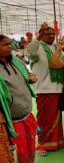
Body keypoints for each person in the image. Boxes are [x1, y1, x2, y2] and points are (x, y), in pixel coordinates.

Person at [25, 22, 64, 156]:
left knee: (57, 117)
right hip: (44, 88)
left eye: (53, 34)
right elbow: (30, 51)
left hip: (58, 87)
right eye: (47, 34)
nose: (51, 36)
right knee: (44, 118)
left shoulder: (56, 47)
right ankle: (41, 144)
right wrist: (40, 35)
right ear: (41, 34)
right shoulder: (37, 47)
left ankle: (57, 140)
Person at [0, 34, 38, 163]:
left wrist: (32, 76)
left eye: (9, 43)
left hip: (26, 114)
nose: (9, 46)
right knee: (19, 151)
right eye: (5, 44)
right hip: (12, 120)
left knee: (30, 147)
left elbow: (28, 72)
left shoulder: (16, 61)